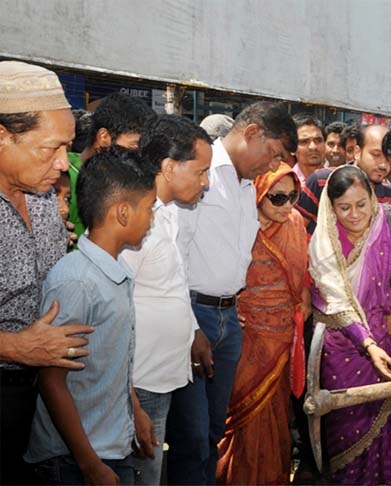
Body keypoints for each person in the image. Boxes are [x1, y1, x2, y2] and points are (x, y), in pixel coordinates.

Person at [167, 100, 297, 485]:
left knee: (211, 432)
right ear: (252, 133)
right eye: (273, 154)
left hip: (228, 317)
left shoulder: (244, 186)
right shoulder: (203, 174)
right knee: (191, 437)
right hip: (194, 315)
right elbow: (174, 256)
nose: (273, 166)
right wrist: (190, 328)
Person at [25, 148, 157, 485]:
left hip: (110, 446)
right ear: (123, 213)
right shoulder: (77, 281)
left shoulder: (115, 271)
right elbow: (52, 381)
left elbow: (111, 361)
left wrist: (136, 412)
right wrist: (88, 464)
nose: (152, 219)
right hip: (76, 459)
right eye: (149, 210)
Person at [0, 60, 94, 485]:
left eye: (68, 147)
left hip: (38, 395)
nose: (63, 164)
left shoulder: (41, 195)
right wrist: (16, 347)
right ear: (2, 137)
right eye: (50, 149)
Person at [120, 115, 213, 485]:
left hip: (169, 372)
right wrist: (131, 400)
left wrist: (193, 330)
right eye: (201, 171)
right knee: (143, 473)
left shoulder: (170, 213)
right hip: (141, 381)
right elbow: (116, 308)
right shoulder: (133, 219)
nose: (205, 182)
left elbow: (171, 286)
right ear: (169, 167)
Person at [308, 165, 391, 484]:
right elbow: (334, 301)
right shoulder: (324, 242)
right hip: (342, 344)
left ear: (372, 197)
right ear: (331, 207)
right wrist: (367, 343)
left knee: (389, 414)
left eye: (361, 204)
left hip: (387, 331)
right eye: (344, 207)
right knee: (347, 421)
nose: (354, 215)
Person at [217, 163, 310, 484]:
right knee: (243, 418)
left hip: (282, 338)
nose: (287, 206)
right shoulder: (238, 224)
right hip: (245, 338)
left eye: (293, 197)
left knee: (275, 418)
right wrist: (229, 307)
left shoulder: (296, 224)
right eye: (278, 198)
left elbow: (304, 282)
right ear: (257, 194)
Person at [68, 93, 155, 240]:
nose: (139, 155)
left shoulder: (123, 181)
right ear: (104, 137)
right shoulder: (62, 179)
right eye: (134, 145)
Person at [297, 124, 391, 234]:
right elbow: (296, 229)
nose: (383, 164)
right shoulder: (322, 181)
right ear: (357, 152)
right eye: (376, 155)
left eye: (389, 158)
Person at [292, 114, 326, 184]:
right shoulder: (286, 182)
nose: (313, 147)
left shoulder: (335, 181)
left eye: (318, 140)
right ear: (292, 148)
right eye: (304, 142)